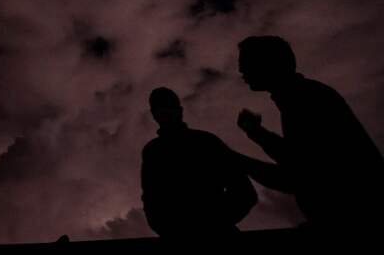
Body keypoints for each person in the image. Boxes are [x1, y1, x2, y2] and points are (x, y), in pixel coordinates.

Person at [235, 35, 384, 233]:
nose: (241, 70)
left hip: (358, 221)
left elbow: (301, 173)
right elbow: (301, 163)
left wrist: (234, 158)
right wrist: (256, 133)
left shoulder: (306, 100)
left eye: (246, 63)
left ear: (268, 63)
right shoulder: (304, 96)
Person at [141, 87, 256, 238]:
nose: (165, 112)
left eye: (168, 107)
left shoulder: (206, 142)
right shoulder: (152, 151)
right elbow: (151, 198)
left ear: (179, 111)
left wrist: (216, 223)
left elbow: (244, 191)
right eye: (160, 108)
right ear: (153, 114)